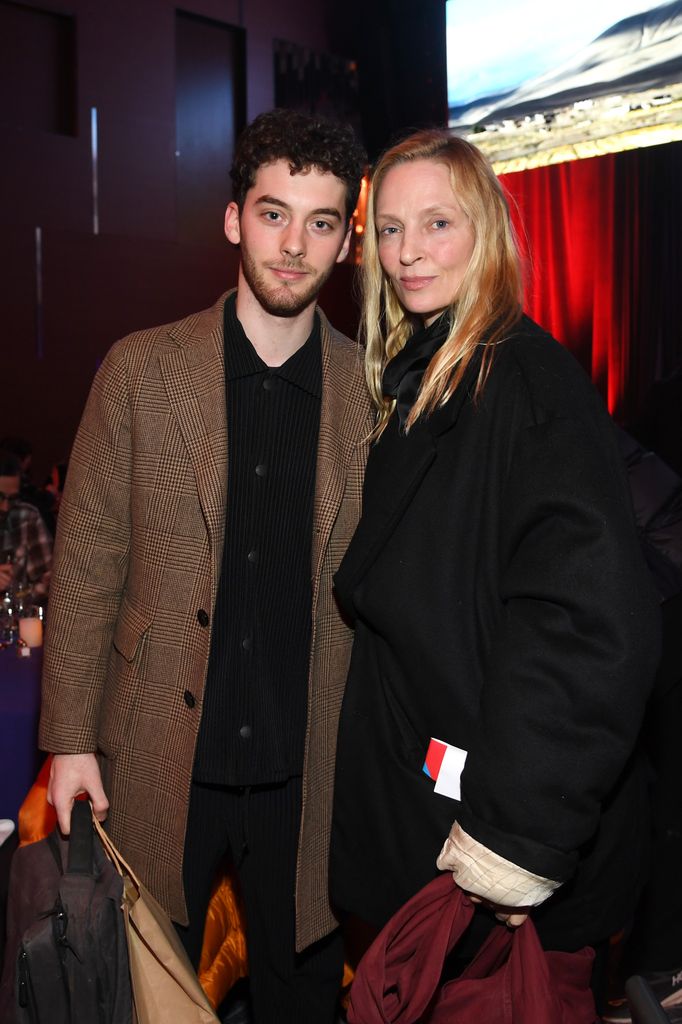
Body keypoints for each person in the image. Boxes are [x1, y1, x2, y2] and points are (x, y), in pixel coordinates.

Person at [39, 108, 373, 1024]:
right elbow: (88, 560)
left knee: (305, 995)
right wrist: (68, 740)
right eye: (273, 214)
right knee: (149, 995)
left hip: (306, 772)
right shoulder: (141, 370)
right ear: (233, 220)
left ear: (347, 240)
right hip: (157, 754)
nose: (293, 245)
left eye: (320, 222)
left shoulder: (369, 397)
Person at [329, 130, 661, 1002]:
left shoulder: (522, 381)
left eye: (435, 223)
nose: (407, 253)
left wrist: (515, 836)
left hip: (492, 852)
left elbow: (588, 619)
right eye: (389, 231)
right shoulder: (430, 373)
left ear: (484, 231)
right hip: (434, 822)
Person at [0, 449, 52, 599]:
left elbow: (49, 583)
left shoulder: (26, 517)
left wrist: (15, 597)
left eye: (12, 498)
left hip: (15, 618)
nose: (5, 507)